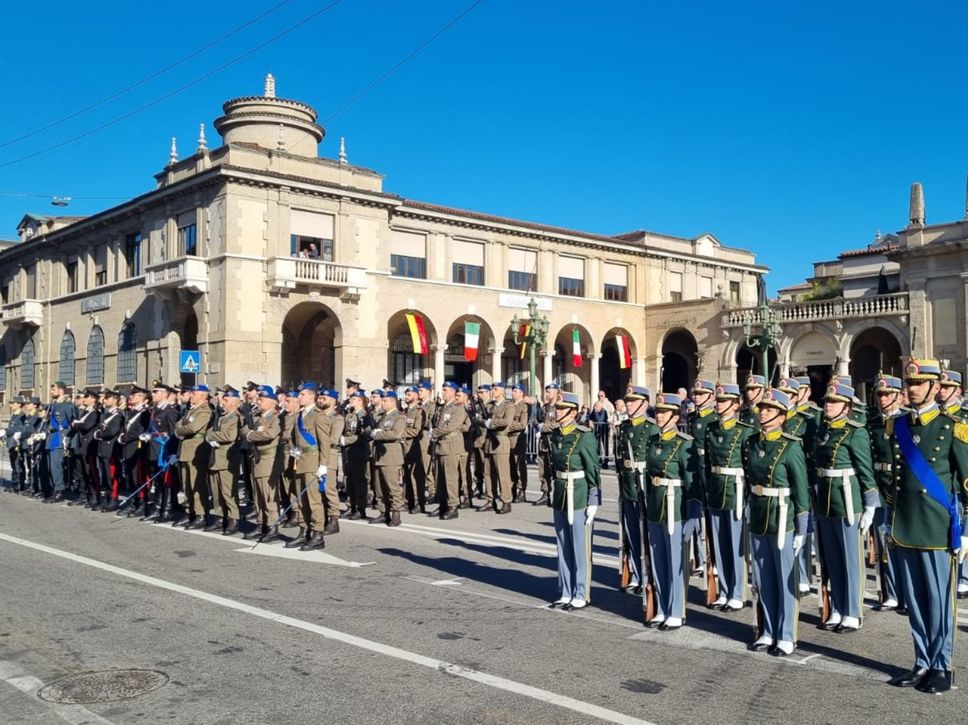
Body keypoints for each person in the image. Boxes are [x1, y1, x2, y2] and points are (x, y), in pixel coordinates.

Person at [886, 358, 968, 694]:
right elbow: (894, 478)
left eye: (919, 383)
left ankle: (942, 666)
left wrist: (964, 531)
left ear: (935, 386)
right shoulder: (899, 426)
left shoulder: (953, 428)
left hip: (937, 527)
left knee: (938, 600)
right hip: (905, 524)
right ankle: (922, 661)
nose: (912, 388)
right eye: (909, 383)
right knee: (916, 601)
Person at [743, 388, 810, 657]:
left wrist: (801, 528)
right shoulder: (752, 443)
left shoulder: (791, 446)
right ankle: (768, 630)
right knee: (764, 579)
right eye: (762, 409)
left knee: (784, 579)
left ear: (782, 417)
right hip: (760, 514)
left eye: (770, 410)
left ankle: (786, 635)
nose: (763, 413)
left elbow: (801, 489)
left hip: (782, 517)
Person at [812, 381, 878, 633]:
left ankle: (853, 611)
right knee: (833, 558)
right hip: (826, 499)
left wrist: (870, 504)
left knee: (851, 558)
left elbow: (865, 469)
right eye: (827, 401)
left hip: (847, 498)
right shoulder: (823, 430)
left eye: (834, 402)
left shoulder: (856, 432)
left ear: (847, 406)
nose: (828, 406)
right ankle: (838, 606)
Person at [644, 392, 700, 630]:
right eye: (657, 412)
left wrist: (693, 515)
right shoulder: (654, 441)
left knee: (675, 560)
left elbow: (692, 484)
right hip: (656, 506)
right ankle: (662, 607)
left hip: (675, 506)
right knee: (658, 561)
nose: (659, 417)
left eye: (664, 413)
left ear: (675, 416)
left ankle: (676, 610)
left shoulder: (684, 443)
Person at [704, 383, 755, 611]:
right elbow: (708, 463)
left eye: (724, 401)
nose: (719, 404)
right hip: (716, 489)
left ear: (736, 405)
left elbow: (750, 465)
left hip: (736, 489)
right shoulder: (711, 429)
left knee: (736, 544)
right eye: (718, 400)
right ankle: (724, 589)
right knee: (719, 542)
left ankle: (737, 591)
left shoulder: (744, 431)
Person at [548, 391, 601, 610]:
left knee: (580, 546)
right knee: (563, 545)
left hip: (578, 493)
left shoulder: (584, 435)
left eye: (562, 409)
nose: (557, 412)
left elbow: (592, 468)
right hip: (561, 491)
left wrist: (593, 499)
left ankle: (581, 591)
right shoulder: (557, 435)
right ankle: (566, 590)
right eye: (557, 408)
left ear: (573, 412)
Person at [867, 374, 906, 611]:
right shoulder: (872, 422)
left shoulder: (906, 421)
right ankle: (891, 592)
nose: (883, 399)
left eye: (887, 394)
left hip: (902, 488)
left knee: (904, 544)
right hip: (880, 488)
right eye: (880, 395)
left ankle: (908, 594)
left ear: (898, 396)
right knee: (884, 543)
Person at [616, 386, 656, 593]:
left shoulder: (652, 428)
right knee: (631, 533)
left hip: (645, 486)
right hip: (628, 484)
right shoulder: (624, 427)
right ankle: (636, 574)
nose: (628, 404)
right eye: (627, 400)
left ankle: (649, 577)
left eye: (633, 401)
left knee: (647, 535)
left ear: (644, 404)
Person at [286, 382, 329, 549]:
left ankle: (318, 534)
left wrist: (323, 464)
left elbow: (324, 442)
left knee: (313, 501)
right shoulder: (299, 415)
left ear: (312, 396)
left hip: (313, 461)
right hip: (300, 460)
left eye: (302, 394)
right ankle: (304, 531)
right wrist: (293, 450)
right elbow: (293, 438)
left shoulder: (319, 415)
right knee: (301, 499)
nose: (299, 397)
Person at [173, 384, 214, 529]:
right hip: (186, 450)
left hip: (196, 450)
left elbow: (193, 427)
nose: (191, 396)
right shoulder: (192, 410)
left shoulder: (204, 411)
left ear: (202, 395)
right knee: (187, 484)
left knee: (197, 484)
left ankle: (200, 514)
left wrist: (179, 431)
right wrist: (181, 428)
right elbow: (179, 423)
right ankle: (189, 511)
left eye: (194, 393)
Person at [205, 385, 242, 535]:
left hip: (227, 459)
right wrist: (210, 435)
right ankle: (220, 517)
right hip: (215, 458)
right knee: (216, 490)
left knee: (228, 492)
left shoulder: (236, 417)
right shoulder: (221, 416)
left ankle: (233, 518)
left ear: (234, 402)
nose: (223, 402)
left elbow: (230, 436)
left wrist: (212, 436)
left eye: (226, 400)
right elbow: (209, 430)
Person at [429, 380, 467, 519]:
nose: (443, 392)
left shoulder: (458, 408)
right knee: (440, 478)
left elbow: (450, 426)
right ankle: (443, 504)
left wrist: (434, 433)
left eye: (446, 390)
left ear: (453, 392)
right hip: (441, 445)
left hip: (451, 445)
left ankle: (453, 506)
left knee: (450, 478)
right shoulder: (442, 408)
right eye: (443, 389)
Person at [368, 389, 407, 526]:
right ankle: (383, 512)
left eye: (384, 401)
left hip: (391, 457)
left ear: (392, 401)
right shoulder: (382, 416)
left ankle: (396, 513)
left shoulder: (399, 417)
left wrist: (378, 434)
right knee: (379, 487)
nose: (382, 403)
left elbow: (395, 434)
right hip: (378, 455)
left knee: (392, 487)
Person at [143, 383, 179, 522]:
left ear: (165, 394)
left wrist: (173, 453)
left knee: (166, 481)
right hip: (154, 448)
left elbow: (173, 432)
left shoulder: (170, 411)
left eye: (156, 392)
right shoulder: (155, 409)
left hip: (164, 449)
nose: (153, 394)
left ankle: (167, 510)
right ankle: (157, 508)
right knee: (157, 481)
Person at [315, 388, 345, 532]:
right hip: (317, 455)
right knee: (318, 490)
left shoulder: (337, 418)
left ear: (333, 401)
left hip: (330, 456)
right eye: (319, 398)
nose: (320, 401)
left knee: (329, 489)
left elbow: (333, 439)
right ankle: (323, 517)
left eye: (324, 398)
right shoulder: (317, 416)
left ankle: (334, 519)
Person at [118, 385, 150, 516]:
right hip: (128, 447)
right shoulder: (132, 412)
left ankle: (142, 503)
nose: (131, 397)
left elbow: (140, 430)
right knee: (130, 477)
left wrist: (125, 438)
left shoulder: (145, 412)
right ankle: (133, 502)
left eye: (135, 395)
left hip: (137, 447)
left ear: (142, 397)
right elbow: (126, 427)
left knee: (139, 477)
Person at [482, 382, 514, 513]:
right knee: (488, 473)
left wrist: (491, 423)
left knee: (502, 473)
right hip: (489, 441)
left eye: (495, 389)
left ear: (502, 391)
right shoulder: (490, 406)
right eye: (492, 389)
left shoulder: (509, 405)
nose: (493, 391)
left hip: (500, 440)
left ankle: (506, 501)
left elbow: (506, 422)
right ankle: (490, 499)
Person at [341, 390, 372, 520]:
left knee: (359, 481)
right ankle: (351, 506)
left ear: (360, 400)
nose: (350, 401)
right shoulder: (350, 415)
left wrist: (347, 440)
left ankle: (361, 508)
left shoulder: (365, 416)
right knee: (349, 480)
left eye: (353, 399)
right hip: (348, 451)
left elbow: (365, 435)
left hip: (359, 450)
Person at [44, 381, 76, 503]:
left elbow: (72, 423)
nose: (51, 392)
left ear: (61, 390)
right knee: (51, 466)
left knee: (56, 466)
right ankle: (54, 489)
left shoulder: (68, 405)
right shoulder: (54, 404)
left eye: (53, 390)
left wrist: (67, 439)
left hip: (59, 438)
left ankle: (59, 491)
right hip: (51, 438)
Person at [93, 389, 123, 511]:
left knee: (112, 476)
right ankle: (106, 497)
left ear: (115, 400)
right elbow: (100, 428)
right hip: (102, 448)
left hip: (111, 449)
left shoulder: (118, 415)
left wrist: (99, 434)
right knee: (104, 475)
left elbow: (111, 431)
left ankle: (113, 498)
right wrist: (100, 433)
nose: (104, 400)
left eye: (107, 398)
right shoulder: (105, 414)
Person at [402, 386, 427, 513]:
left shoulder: (419, 411)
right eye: (406, 395)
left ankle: (419, 502)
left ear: (416, 396)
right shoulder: (405, 411)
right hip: (404, 447)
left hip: (414, 446)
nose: (406, 397)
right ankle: (408, 500)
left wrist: (400, 433)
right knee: (406, 476)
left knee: (415, 476)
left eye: (409, 394)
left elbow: (417, 430)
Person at [534, 383, 560, 506]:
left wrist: (544, 427)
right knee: (543, 469)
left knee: (555, 469)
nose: (547, 394)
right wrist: (538, 426)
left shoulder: (560, 408)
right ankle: (545, 494)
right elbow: (535, 420)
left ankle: (558, 495)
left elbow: (559, 424)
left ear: (555, 392)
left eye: (549, 392)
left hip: (554, 443)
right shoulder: (544, 408)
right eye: (546, 392)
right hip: (543, 443)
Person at [508, 384, 530, 502]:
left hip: (518, 439)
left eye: (515, 391)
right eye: (513, 391)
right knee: (511, 465)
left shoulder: (523, 406)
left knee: (519, 466)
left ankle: (522, 490)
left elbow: (522, 424)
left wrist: (507, 425)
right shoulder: (510, 405)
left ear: (521, 393)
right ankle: (512, 488)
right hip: (508, 439)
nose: (513, 393)